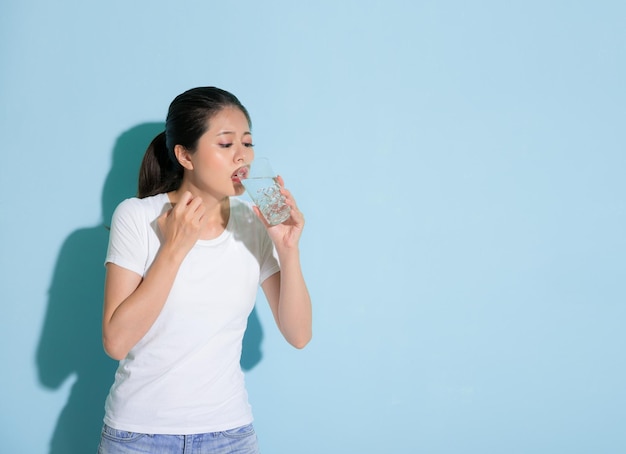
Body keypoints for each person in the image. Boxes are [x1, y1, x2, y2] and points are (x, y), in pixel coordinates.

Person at [97, 87, 312, 454]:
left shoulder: (252, 223)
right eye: (226, 145)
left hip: (230, 436)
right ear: (185, 155)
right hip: (139, 437)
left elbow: (298, 334)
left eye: (247, 143)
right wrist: (174, 248)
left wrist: (287, 249)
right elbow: (115, 342)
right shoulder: (137, 216)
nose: (242, 156)